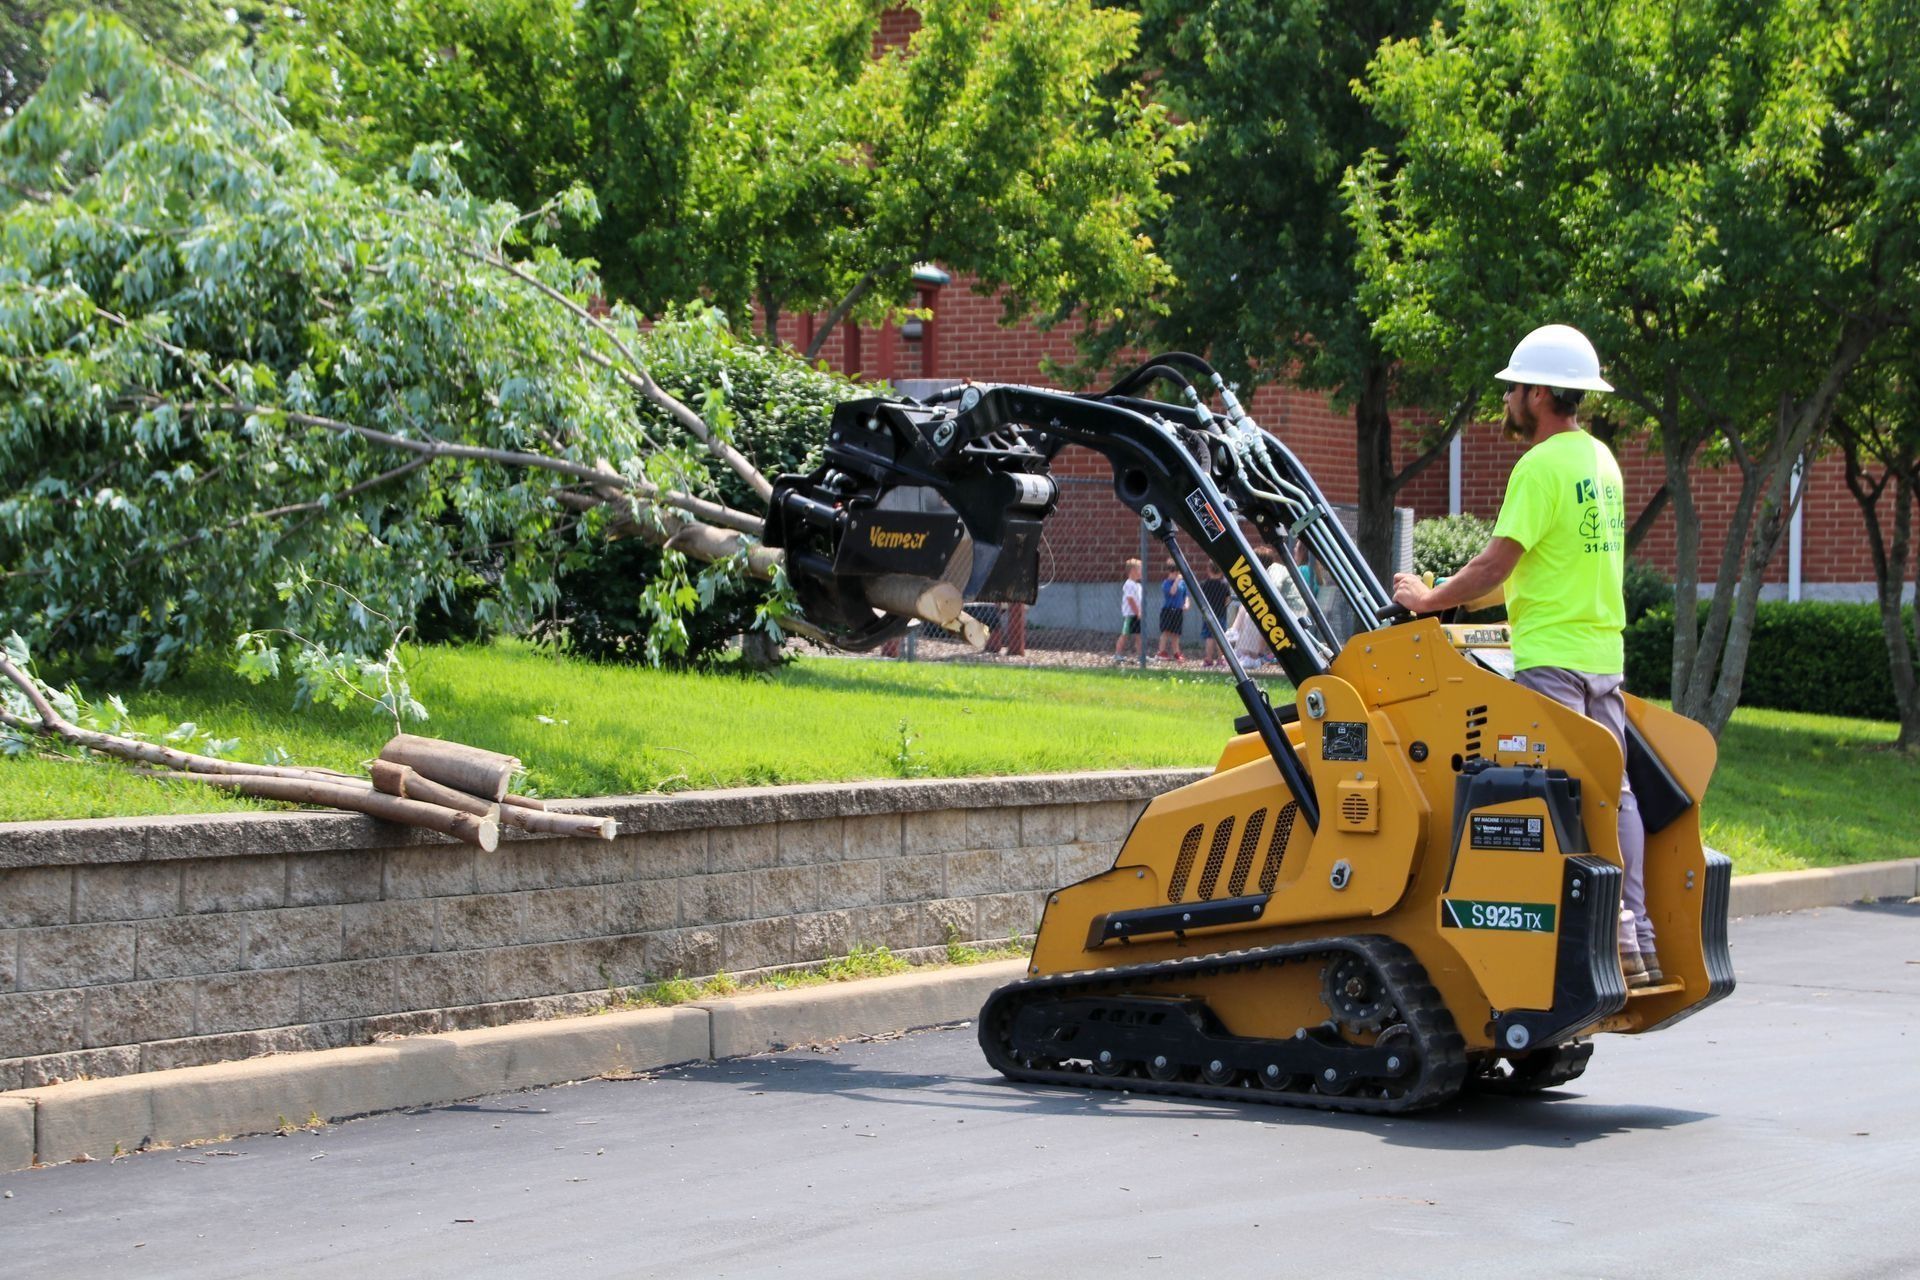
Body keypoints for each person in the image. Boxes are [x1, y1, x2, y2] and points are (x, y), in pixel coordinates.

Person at [1390, 323, 1657, 988]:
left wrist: (1427, 600)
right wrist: (1461, 601)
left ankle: (1600, 941)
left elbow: (1494, 562)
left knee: (1565, 797)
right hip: (1602, 655)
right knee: (1616, 793)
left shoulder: (1538, 466)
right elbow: (1531, 569)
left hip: (1553, 660)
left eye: (1514, 390)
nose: (1507, 400)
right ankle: (1640, 936)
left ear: (1538, 394)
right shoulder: (1601, 462)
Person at [1199, 563, 1231, 666]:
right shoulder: (1224, 585)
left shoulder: (1204, 584)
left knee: (1209, 637)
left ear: (1209, 570)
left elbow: (1201, 599)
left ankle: (1208, 659)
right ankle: (1220, 659)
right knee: (1220, 637)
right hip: (1221, 614)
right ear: (1221, 571)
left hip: (1208, 615)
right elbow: (1228, 600)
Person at [1156, 564, 1190, 661]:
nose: (1175, 575)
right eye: (1173, 573)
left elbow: (1186, 595)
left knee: (1176, 633)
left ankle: (1176, 652)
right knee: (1166, 631)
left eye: (1176, 573)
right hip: (1168, 610)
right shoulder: (1166, 583)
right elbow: (1172, 592)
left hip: (1178, 611)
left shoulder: (1182, 583)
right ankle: (1161, 652)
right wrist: (1176, 580)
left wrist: (1186, 603)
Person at [1114, 557, 1143, 662]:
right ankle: (1117, 654)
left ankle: (1141, 656)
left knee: (1139, 635)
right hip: (1131, 615)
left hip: (1137, 614)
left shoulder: (1138, 585)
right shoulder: (1129, 584)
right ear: (1133, 571)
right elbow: (1130, 600)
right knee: (1125, 634)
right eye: (1140, 570)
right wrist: (1137, 612)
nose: (1141, 572)